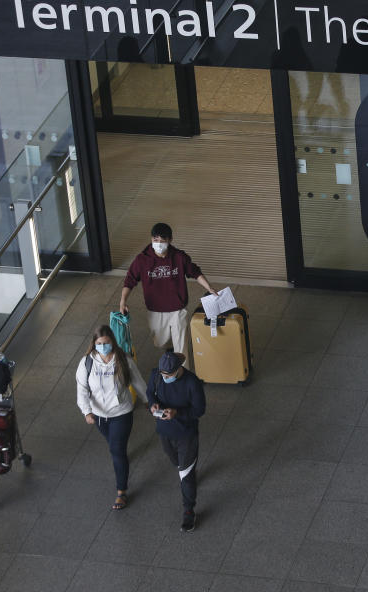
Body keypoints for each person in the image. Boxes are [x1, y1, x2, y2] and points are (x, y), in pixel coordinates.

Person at [120, 223, 219, 362]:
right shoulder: (142, 260)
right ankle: (170, 347)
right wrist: (123, 301)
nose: (158, 244)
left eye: (162, 241)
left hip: (177, 309)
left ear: (170, 240)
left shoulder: (179, 257)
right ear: (151, 239)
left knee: (181, 346)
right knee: (160, 341)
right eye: (155, 240)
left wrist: (209, 288)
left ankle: (182, 373)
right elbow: (130, 280)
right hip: (155, 309)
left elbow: (194, 272)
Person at [75, 324, 147, 511]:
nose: (103, 346)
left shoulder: (123, 360)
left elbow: (137, 382)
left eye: (106, 343)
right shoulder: (86, 363)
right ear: (94, 344)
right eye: (99, 343)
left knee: (116, 450)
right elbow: (81, 389)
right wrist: (87, 411)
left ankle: (121, 491)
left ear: (112, 342)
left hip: (121, 413)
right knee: (114, 445)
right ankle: (121, 457)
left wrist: (148, 400)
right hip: (99, 416)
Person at [146, 351, 205, 532]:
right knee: (176, 463)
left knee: (185, 475)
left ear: (179, 370)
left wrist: (177, 413)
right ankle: (188, 471)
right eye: (163, 375)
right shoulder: (156, 375)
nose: (165, 378)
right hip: (165, 432)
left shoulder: (192, 383)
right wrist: (152, 404)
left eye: (169, 375)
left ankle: (188, 510)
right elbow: (150, 392)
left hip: (186, 434)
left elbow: (199, 410)